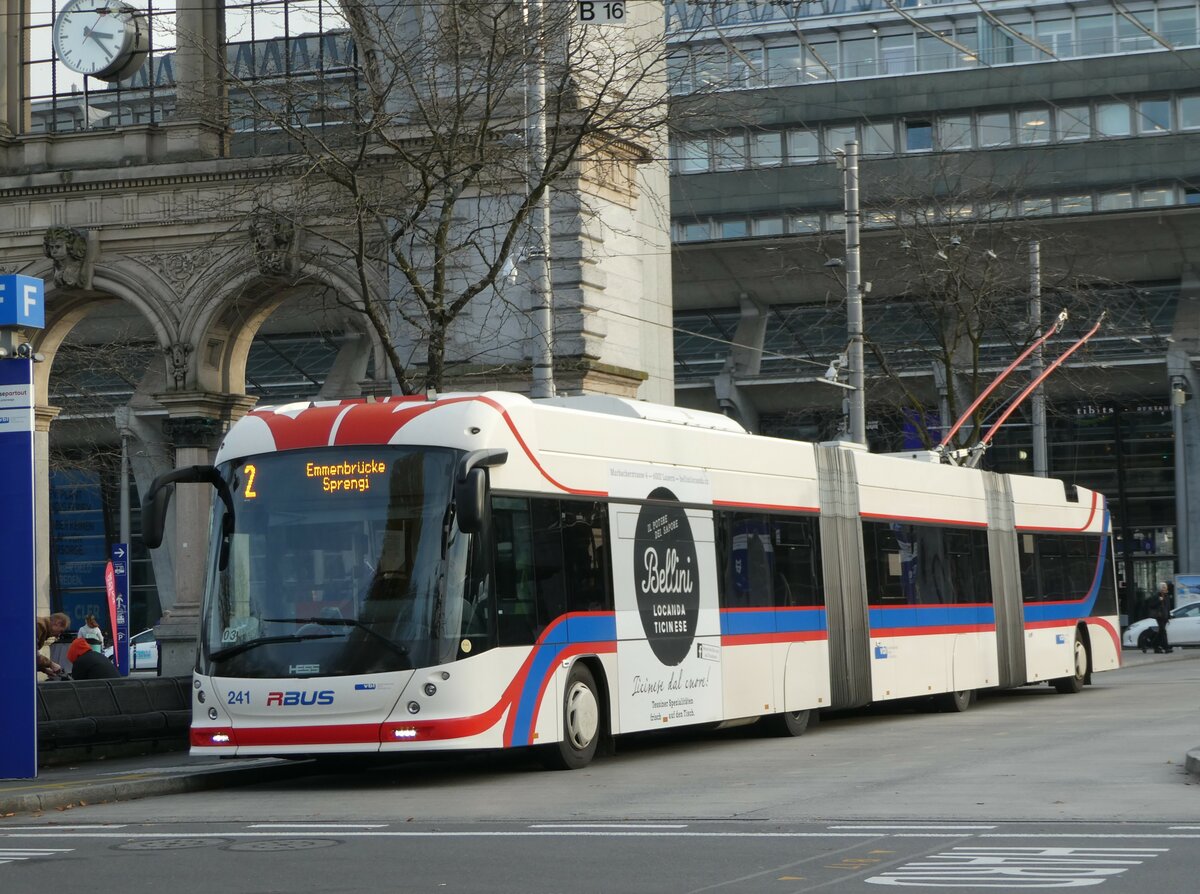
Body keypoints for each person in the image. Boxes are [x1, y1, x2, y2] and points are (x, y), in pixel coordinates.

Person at [35, 612, 71, 677]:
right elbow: (31, 654)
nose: (58, 636)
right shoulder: (39, 626)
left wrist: (45, 670)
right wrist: (51, 664)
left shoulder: (41, 626)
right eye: (61, 631)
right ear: (58, 623)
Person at [1150, 581, 1174, 654]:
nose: (1164, 589)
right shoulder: (1156, 596)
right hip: (1159, 616)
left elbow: (1168, 607)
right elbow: (1152, 605)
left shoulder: (1167, 596)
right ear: (1160, 589)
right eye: (1163, 588)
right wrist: (1159, 601)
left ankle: (1155, 645)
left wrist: (1169, 616)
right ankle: (1166, 647)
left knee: (1161, 632)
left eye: (1165, 587)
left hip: (1165, 616)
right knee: (1163, 631)